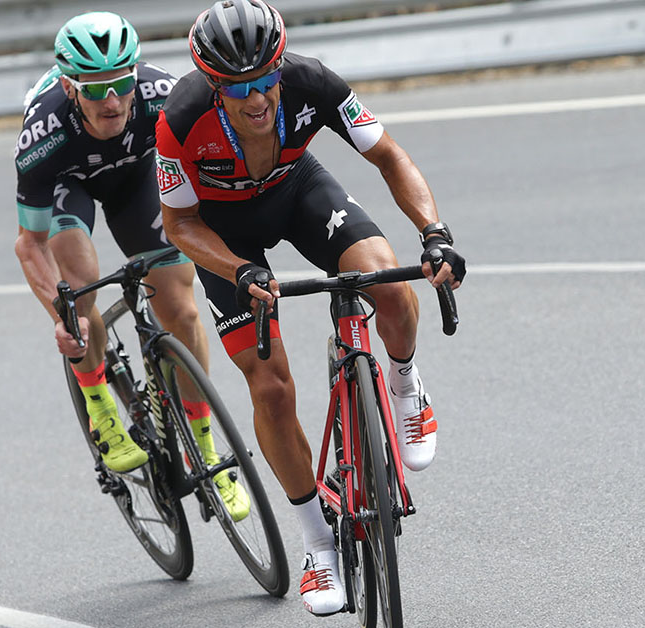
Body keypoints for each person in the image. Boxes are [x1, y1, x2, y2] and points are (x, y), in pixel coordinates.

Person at [156, 0, 467, 616]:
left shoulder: (313, 81)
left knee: (386, 281)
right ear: (214, 86)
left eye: (266, 79)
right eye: (238, 87)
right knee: (269, 388)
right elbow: (179, 225)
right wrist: (238, 270)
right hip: (224, 233)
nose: (256, 98)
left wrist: (434, 232)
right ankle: (315, 540)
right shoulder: (181, 119)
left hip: (298, 191)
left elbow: (390, 157)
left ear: (281, 67)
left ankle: (406, 389)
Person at [14, 13, 249, 518]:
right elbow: (29, 245)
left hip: (137, 179)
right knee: (80, 289)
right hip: (69, 186)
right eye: (96, 90)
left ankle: (205, 448)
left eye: (122, 84)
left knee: (182, 312)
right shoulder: (42, 133)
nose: (113, 101)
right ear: (69, 87)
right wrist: (63, 311)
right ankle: (99, 399)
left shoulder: (163, 92)